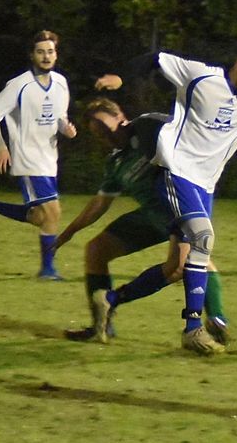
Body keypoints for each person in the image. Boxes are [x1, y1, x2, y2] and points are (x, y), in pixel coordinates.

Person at [95, 36, 237, 355]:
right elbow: (154, 58)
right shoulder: (200, 76)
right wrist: (121, 77)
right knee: (204, 239)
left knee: (177, 268)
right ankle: (193, 327)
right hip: (176, 172)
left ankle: (110, 300)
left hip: (205, 185)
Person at [54, 97, 227, 344]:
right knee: (96, 250)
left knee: (188, 264)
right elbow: (100, 204)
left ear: (120, 116)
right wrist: (68, 232)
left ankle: (218, 322)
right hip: (151, 217)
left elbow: (186, 133)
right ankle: (100, 327)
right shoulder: (116, 162)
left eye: (105, 127)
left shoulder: (149, 129)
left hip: (180, 210)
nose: (104, 136)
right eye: (98, 134)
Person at [0, 30, 77, 280]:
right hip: (27, 158)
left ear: (56, 55)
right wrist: (1, 146)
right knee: (54, 212)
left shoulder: (61, 83)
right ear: (32, 55)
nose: (46, 56)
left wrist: (67, 129)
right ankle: (48, 270)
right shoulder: (19, 84)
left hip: (49, 158)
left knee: (39, 217)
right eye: (41, 51)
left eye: (50, 51)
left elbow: (60, 117)